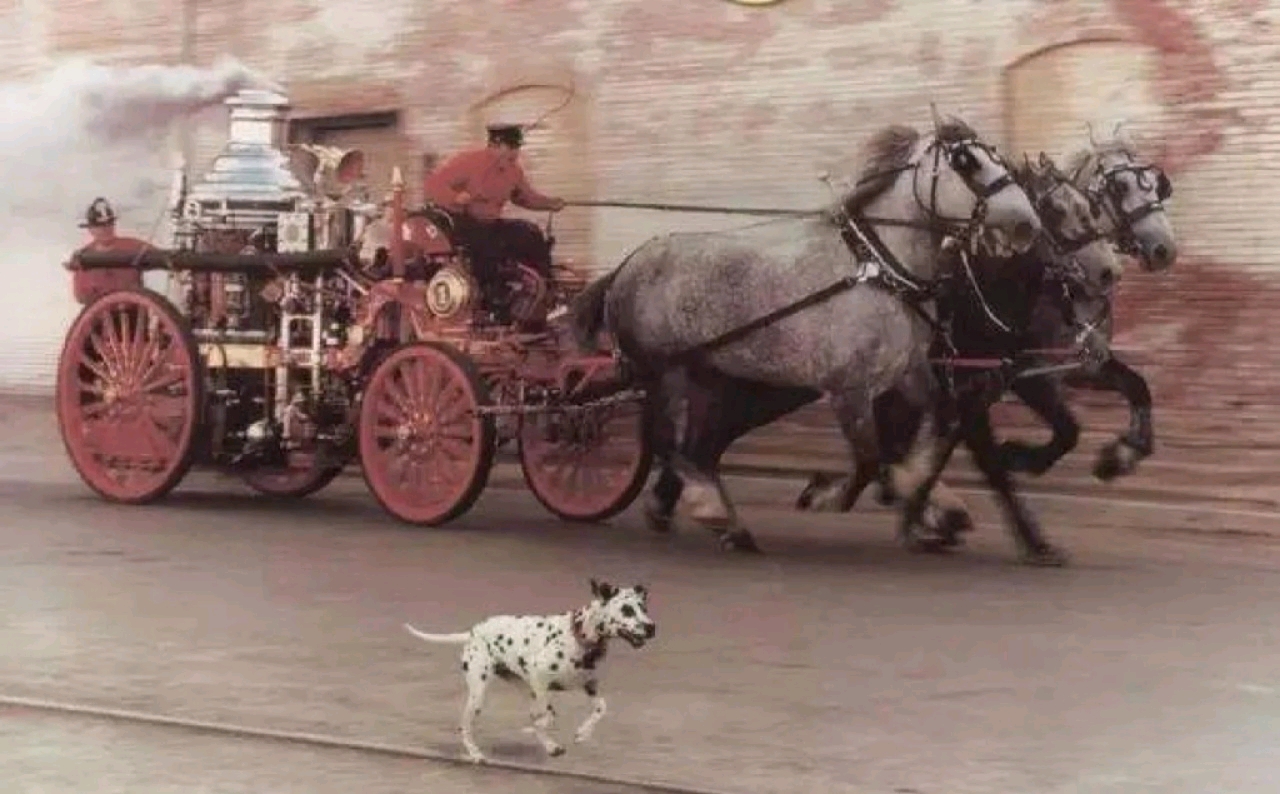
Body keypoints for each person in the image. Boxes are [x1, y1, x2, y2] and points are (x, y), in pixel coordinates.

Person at [422, 123, 566, 290]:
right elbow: (433, 185)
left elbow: (524, 198)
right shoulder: (468, 161)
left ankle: (544, 286)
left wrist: (549, 203)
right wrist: (455, 197)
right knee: (487, 246)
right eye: (510, 147)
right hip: (462, 224)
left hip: (491, 224)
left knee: (530, 233)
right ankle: (491, 292)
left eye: (517, 147)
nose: (515, 153)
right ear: (494, 145)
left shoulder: (513, 170)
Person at [70, 197, 148, 305]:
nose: (105, 229)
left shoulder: (134, 246)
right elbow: (81, 297)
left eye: (109, 224)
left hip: (135, 310)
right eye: (100, 226)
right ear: (90, 229)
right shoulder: (83, 257)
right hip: (102, 317)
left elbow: (161, 257)